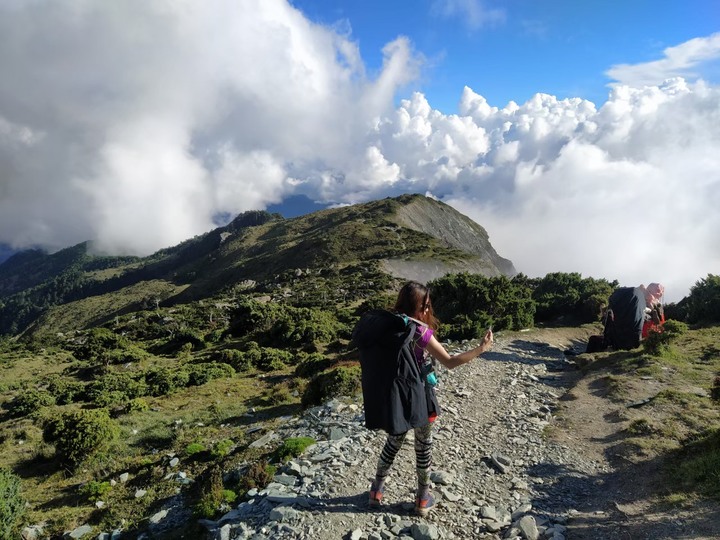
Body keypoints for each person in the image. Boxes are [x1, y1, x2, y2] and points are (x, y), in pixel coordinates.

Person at [366, 281, 493, 517]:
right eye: (427, 304)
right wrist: (481, 349)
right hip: (420, 395)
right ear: (422, 305)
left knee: (393, 442)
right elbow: (450, 361)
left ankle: (376, 490)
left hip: (396, 396)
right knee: (423, 445)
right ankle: (423, 498)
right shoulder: (420, 331)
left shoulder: (388, 325)